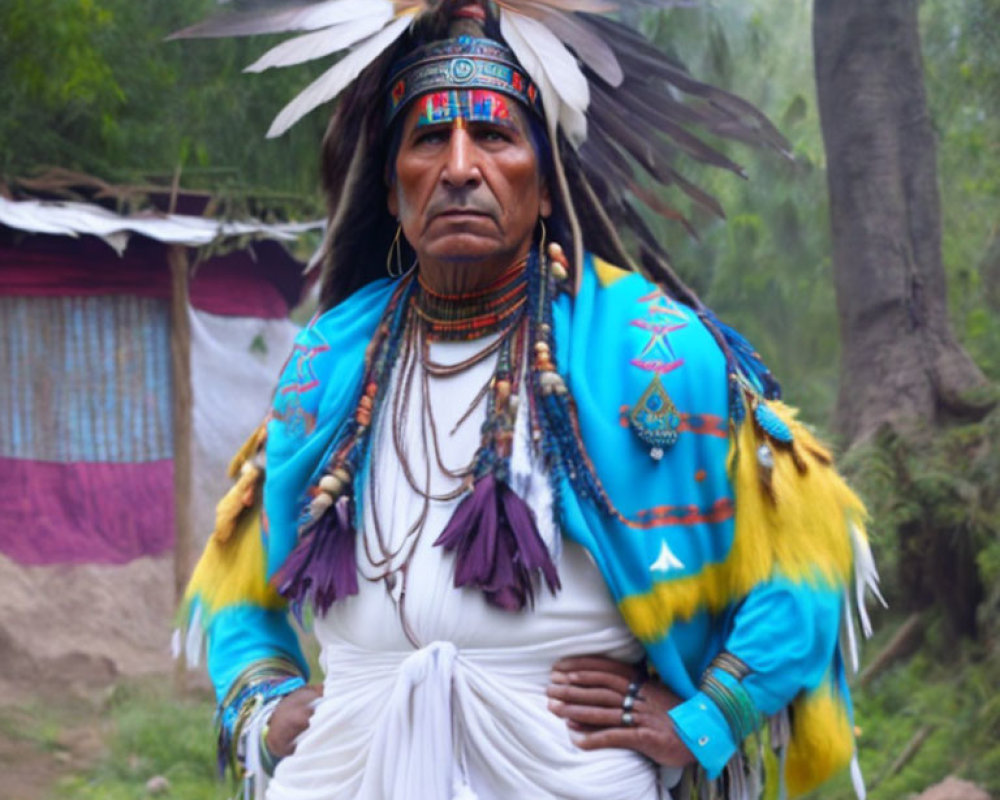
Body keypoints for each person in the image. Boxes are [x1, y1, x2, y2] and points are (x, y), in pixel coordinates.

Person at [176, 3, 882, 799]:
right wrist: (261, 706)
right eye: (428, 140)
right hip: (345, 771)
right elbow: (236, 584)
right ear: (393, 185)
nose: (460, 168)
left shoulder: (654, 347)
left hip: (566, 775)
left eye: (496, 136)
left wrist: (710, 716)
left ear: (545, 185)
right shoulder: (328, 360)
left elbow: (812, 552)